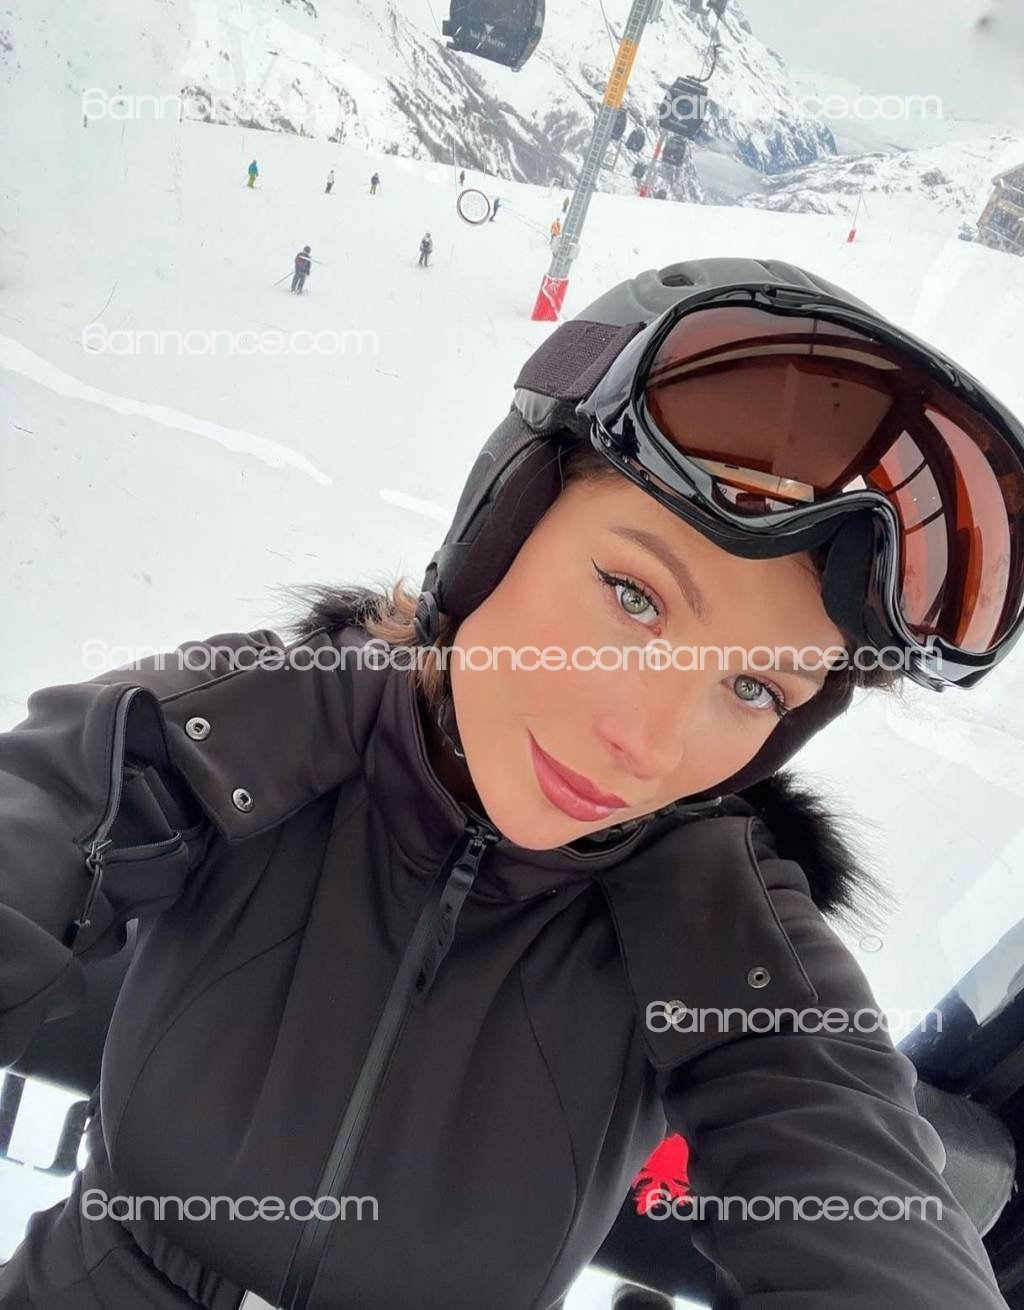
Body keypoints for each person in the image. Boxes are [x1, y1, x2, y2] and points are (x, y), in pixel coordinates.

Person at [0, 257, 1021, 1310]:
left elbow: (858, 1178)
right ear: (499, 528)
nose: (645, 744)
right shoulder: (254, 722)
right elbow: (36, 818)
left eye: (755, 688)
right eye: (634, 596)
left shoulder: (721, 930)